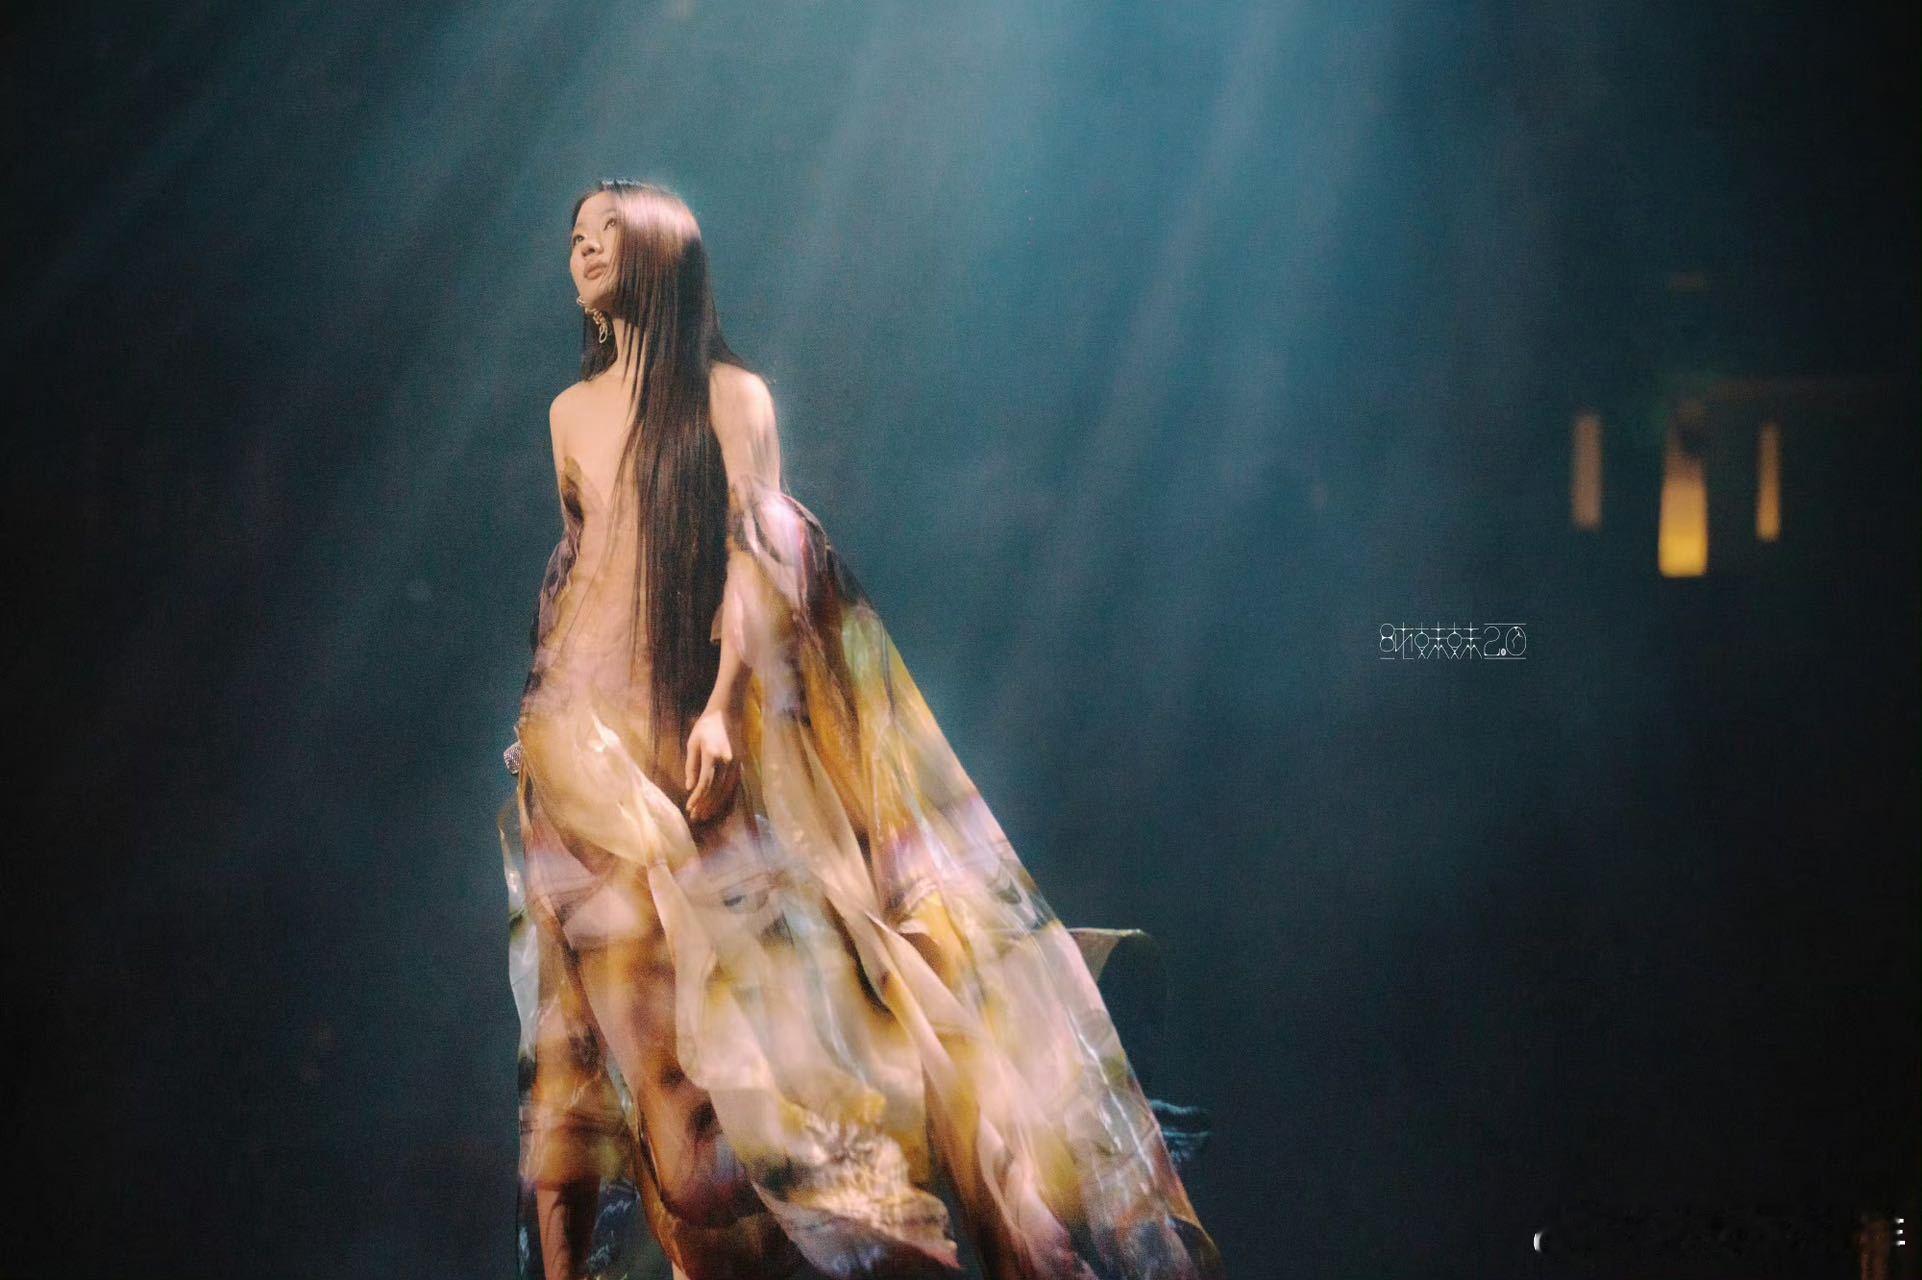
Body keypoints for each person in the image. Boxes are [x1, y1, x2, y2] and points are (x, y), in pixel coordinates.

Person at [498, 178, 1224, 1280]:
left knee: (791, 1002)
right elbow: (579, 573)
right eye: (575, 238)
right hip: (583, 750)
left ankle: (922, 1174)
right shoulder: (568, 413)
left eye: (607, 234)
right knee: (595, 1029)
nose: (583, 252)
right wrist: (549, 725)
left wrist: (721, 707)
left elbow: (758, 550)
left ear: (659, 255)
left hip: (702, 728)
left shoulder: (732, 396)